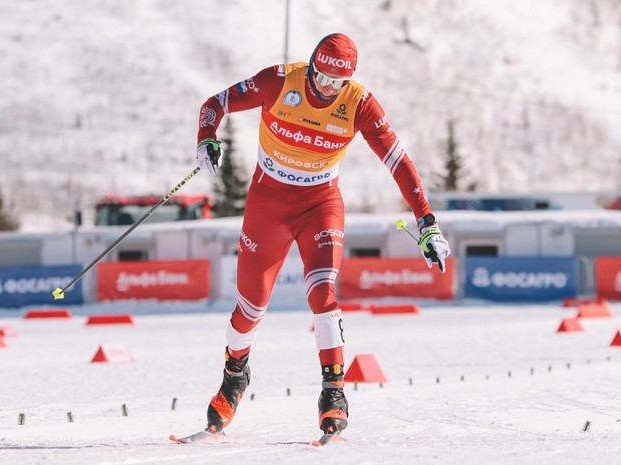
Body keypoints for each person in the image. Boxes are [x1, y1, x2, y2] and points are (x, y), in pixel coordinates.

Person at [193, 33, 451, 439]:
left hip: (320, 204)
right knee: (251, 307)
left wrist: (427, 221)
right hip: (268, 203)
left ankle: (333, 392)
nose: (329, 89)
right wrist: (206, 138)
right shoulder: (279, 81)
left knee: (323, 293)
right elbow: (215, 104)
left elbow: (398, 160)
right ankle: (234, 375)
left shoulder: (359, 103)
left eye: (338, 82)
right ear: (312, 65)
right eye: (323, 78)